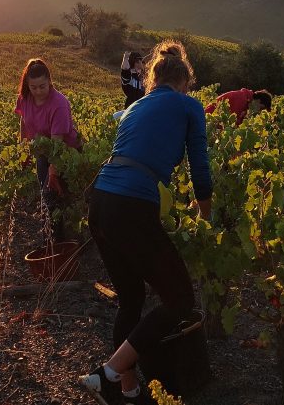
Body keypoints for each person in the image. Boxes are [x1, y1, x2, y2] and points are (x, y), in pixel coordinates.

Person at [80, 40, 212, 405]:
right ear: (185, 82)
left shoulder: (136, 105)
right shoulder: (189, 106)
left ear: (154, 79)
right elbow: (199, 167)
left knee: (132, 298)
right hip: (130, 208)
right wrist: (205, 216)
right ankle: (107, 375)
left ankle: (128, 389)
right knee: (180, 299)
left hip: (101, 202)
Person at [14, 58, 81, 226]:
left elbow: (56, 144)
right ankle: (50, 235)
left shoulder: (59, 104)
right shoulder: (25, 98)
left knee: (57, 195)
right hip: (43, 151)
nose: (37, 91)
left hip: (66, 153)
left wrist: (53, 172)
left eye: (42, 86)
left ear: (50, 82)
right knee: (46, 195)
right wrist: (24, 147)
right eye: (33, 87)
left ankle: (63, 237)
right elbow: (23, 120)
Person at [204, 88, 273, 125]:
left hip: (212, 123)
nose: (259, 111)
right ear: (258, 101)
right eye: (261, 108)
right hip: (206, 121)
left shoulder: (247, 101)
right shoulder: (241, 99)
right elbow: (232, 124)